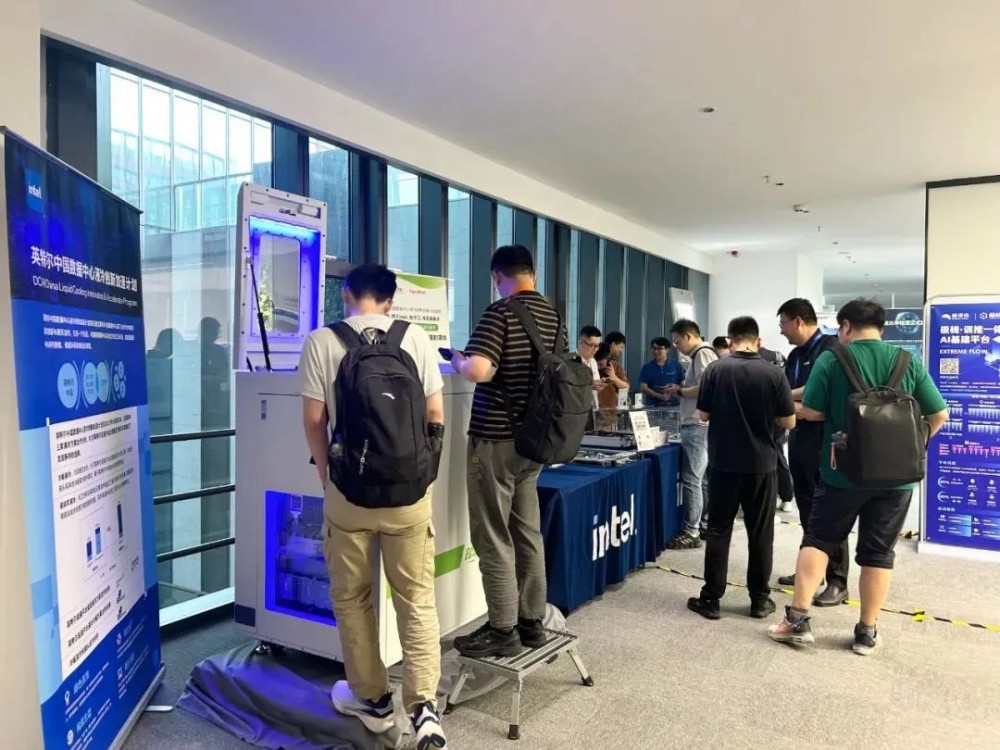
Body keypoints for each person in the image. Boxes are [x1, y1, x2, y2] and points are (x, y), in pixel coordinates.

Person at [299, 264, 448, 747]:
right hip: (410, 495)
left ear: (346, 295)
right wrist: (424, 476)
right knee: (416, 599)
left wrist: (327, 475)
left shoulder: (322, 341)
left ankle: (374, 701)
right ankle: (424, 709)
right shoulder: (415, 339)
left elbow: (314, 420)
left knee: (352, 598)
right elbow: (435, 414)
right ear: (391, 300)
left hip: (349, 495)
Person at [769, 299, 948, 655]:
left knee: (819, 540)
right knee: (879, 553)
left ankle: (798, 622)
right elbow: (939, 413)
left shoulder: (832, 358)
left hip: (842, 473)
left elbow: (813, 411)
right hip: (897, 478)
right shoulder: (907, 360)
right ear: (881, 327)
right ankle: (867, 631)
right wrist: (915, 444)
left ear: (847, 326)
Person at [450, 245, 567, 658]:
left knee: (493, 535)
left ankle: (502, 629)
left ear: (497, 276)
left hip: (496, 441)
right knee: (526, 532)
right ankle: (531, 621)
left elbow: (479, 370)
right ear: (532, 272)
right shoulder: (554, 318)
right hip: (534, 443)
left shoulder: (499, 312)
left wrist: (460, 361)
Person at [687, 316, 796, 620]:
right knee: (760, 533)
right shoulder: (774, 373)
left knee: (718, 531)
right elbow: (789, 421)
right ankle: (760, 600)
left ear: (730, 340)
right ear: (757, 341)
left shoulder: (716, 370)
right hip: (762, 465)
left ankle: (711, 599)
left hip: (723, 463)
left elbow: (703, 415)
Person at [774, 297, 850, 606]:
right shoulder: (795, 355)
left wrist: (782, 399)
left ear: (798, 321)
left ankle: (838, 580)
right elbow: (795, 398)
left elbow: (818, 394)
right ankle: (811, 571)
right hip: (800, 440)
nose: (782, 331)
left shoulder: (831, 349)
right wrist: (789, 403)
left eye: (783, 324)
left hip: (826, 443)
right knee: (806, 509)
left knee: (830, 512)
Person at [664, 320, 719, 548]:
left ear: (688, 336)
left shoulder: (702, 354)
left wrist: (681, 391)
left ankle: (692, 530)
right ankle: (703, 524)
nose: (676, 347)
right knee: (701, 479)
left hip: (697, 425)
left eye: (677, 341)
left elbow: (706, 386)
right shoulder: (700, 355)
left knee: (692, 479)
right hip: (699, 424)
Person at [758, 343, 795, 514]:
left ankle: (785, 496)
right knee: (777, 455)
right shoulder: (778, 356)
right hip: (776, 413)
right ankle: (785, 497)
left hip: (772, 416)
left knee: (776, 456)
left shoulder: (761, 359)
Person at [639, 337, 684, 407]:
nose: (656, 351)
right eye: (654, 348)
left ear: (667, 350)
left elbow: (683, 385)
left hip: (674, 405)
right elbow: (643, 388)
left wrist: (676, 389)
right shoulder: (646, 367)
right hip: (653, 406)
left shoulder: (676, 365)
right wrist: (659, 396)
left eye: (660, 348)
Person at [603, 331, 631, 404]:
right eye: (621, 347)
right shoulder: (592, 362)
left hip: (612, 406)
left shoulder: (616, 366)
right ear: (613, 344)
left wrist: (614, 378)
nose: (621, 351)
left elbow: (626, 386)